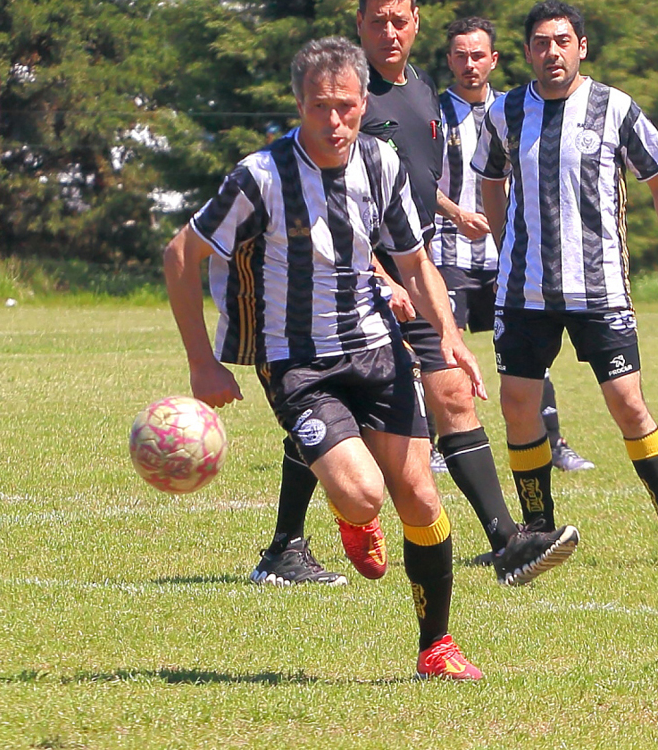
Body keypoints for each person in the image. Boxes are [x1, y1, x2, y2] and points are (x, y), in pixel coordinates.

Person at [164, 35, 485, 679]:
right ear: (299, 105)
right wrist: (203, 363)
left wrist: (449, 333)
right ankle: (353, 515)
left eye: (345, 105)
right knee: (366, 497)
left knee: (420, 495)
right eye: (319, 107)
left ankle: (437, 649)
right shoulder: (260, 176)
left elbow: (413, 261)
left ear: (364, 101)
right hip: (297, 362)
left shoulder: (383, 163)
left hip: (375, 348)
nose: (334, 120)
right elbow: (180, 255)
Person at [251, 0, 579, 588]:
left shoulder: (424, 91)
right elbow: (331, 204)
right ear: (359, 25)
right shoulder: (348, 94)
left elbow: (415, 188)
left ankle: (506, 544)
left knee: (452, 391)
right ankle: (286, 546)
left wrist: (454, 216)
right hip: (356, 283)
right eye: (377, 20)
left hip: (418, 267)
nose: (390, 31)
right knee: (331, 400)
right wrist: (380, 274)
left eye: (399, 19)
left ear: (418, 22)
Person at [474, 0, 658, 533]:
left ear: (581, 46)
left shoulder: (616, 108)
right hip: (522, 290)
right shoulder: (503, 112)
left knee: (628, 406)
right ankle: (537, 527)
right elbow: (490, 178)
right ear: (527, 52)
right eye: (540, 43)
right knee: (517, 405)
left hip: (598, 288)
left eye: (561, 41)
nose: (551, 51)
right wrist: (506, 240)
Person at [432, 16, 594, 473]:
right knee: (445, 350)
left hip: (513, 258)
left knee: (531, 353)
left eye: (478, 55)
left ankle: (555, 442)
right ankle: (440, 444)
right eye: (460, 56)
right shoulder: (436, 113)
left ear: (495, 59)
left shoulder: (518, 108)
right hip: (450, 253)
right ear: (449, 61)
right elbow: (414, 179)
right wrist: (455, 212)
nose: (469, 64)